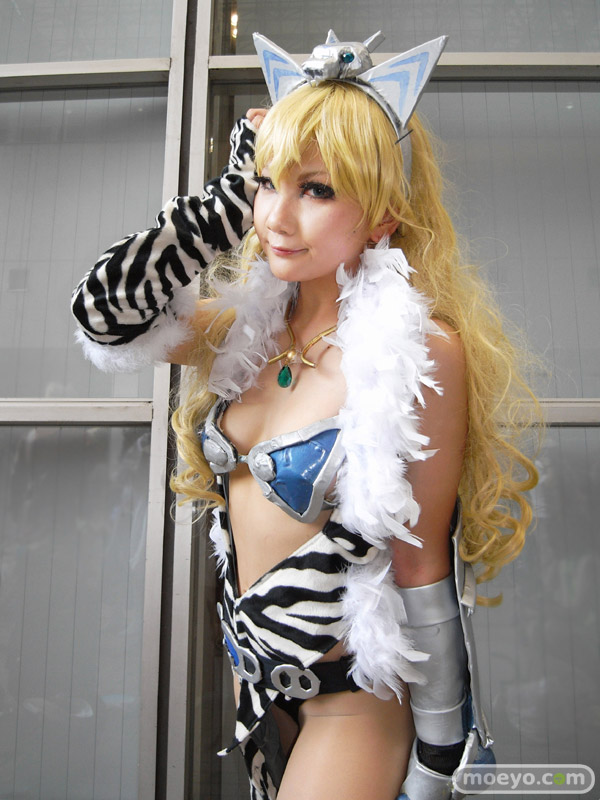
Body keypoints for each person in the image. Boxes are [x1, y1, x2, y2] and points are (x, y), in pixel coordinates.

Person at [72, 30, 540, 800]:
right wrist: (231, 198)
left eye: (316, 190)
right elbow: (105, 314)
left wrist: (440, 754)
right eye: (268, 184)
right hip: (255, 692)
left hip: (352, 705)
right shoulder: (247, 331)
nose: (277, 218)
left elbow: (424, 568)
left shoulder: (417, 350)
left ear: (383, 214)